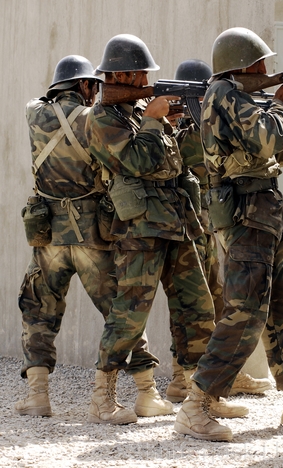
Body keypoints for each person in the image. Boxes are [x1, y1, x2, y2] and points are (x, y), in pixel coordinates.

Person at [174, 27, 283, 441]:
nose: (266, 71)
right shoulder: (224, 95)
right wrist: (280, 102)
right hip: (246, 216)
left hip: (264, 215)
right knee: (245, 314)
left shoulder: (241, 100)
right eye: (261, 65)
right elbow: (267, 137)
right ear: (244, 65)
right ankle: (196, 404)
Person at [84, 34, 246, 425]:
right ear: (121, 74)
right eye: (140, 73)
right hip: (139, 228)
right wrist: (153, 120)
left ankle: (199, 394)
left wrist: (168, 122)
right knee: (130, 313)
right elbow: (137, 161)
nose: (145, 80)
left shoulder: (138, 111)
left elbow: (172, 164)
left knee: (199, 309)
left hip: (176, 222)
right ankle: (102, 398)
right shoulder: (102, 118)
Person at [16, 55, 168, 422]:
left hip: (48, 236)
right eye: (93, 86)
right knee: (122, 311)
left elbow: (42, 101)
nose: (97, 92)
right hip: (92, 235)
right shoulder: (96, 117)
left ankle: (37, 396)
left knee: (38, 311)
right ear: (85, 85)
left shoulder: (34, 112)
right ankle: (147, 392)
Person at [166, 59, 272, 403]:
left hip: (206, 223)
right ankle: (183, 378)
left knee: (213, 299)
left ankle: (211, 375)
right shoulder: (182, 131)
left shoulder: (197, 127)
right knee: (191, 304)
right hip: (186, 226)